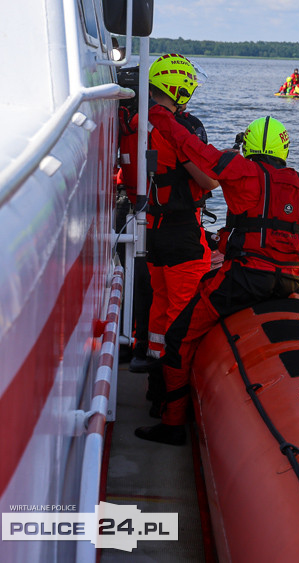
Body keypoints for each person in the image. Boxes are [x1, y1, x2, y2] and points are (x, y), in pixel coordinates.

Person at [135, 116, 299, 445]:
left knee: (178, 337)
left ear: (248, 146)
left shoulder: (240, 169)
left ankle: (173, 422)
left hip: (246, 278)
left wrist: (159, 117)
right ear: (283, 147)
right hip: (288, 280)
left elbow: (194, 148)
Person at [118, 54, 218, 374]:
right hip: (180, 230)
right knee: (184, 306)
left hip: (143, 221)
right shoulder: (184, 127)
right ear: (180, 89)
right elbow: (208, 179)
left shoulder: (132, 121)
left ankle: (149, 353)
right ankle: (175, 372)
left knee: (156, 297)